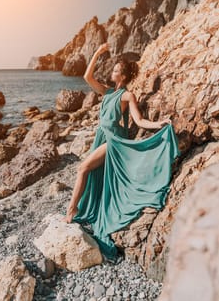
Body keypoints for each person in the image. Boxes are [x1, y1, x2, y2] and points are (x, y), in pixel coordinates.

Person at [64, 43, 180, 259]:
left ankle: (72, 210)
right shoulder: (108, 92)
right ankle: (80, 209)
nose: (112, 72)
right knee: (92, 177)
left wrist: (159, 124)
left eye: (116, 70)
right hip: (100, 138)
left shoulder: (128, 96)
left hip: (114, 141)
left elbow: (139, 120)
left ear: (124, 76)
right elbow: (87, 78)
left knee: (82, 169)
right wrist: (98, 52)